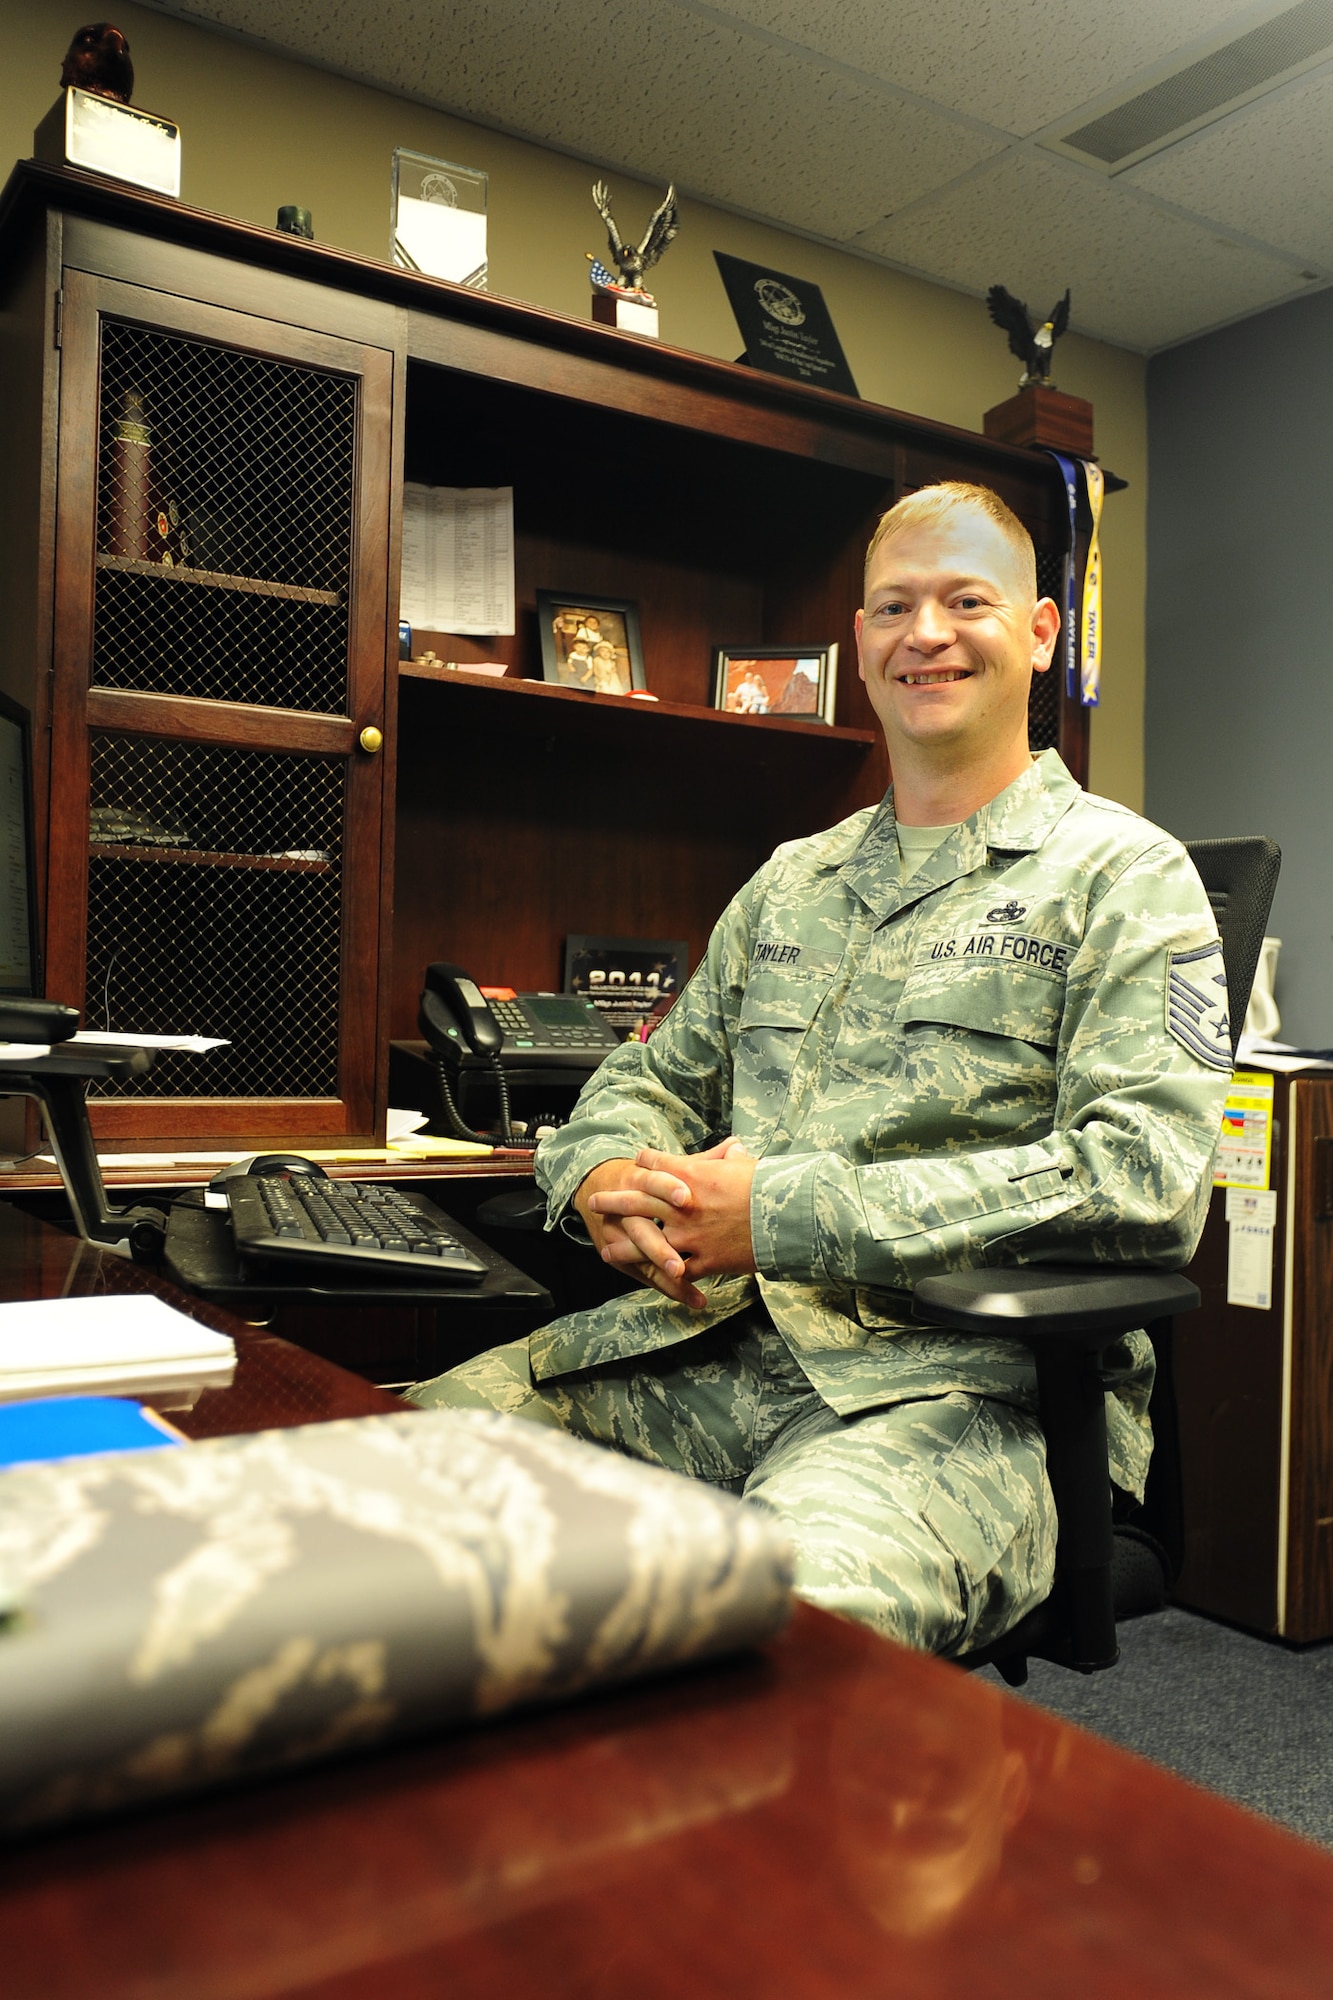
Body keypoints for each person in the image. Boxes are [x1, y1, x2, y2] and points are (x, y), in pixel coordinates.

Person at [410, 482, 1231, 1656]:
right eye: (894, 605)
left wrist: (781, 1214)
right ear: (859, 644)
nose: (926, 633)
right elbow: (652, 1079)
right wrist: (596, 1173)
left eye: (966, 601)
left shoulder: (1122, 876)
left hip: (950, 1397)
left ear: (1041, 632)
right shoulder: (793, 878)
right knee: (350, 1498)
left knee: (774, 1645)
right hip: (697, 1348)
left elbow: (1139, 1183)